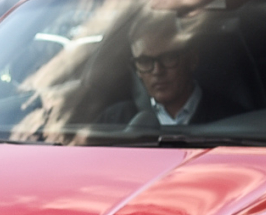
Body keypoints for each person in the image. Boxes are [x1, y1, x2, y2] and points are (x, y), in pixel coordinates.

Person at [99, 13, 248, 130]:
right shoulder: (115, 119)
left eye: (168, 58)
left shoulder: (233, 120)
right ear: (137, 69)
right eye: (145, 61)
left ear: (192, 60)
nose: (157, 71)